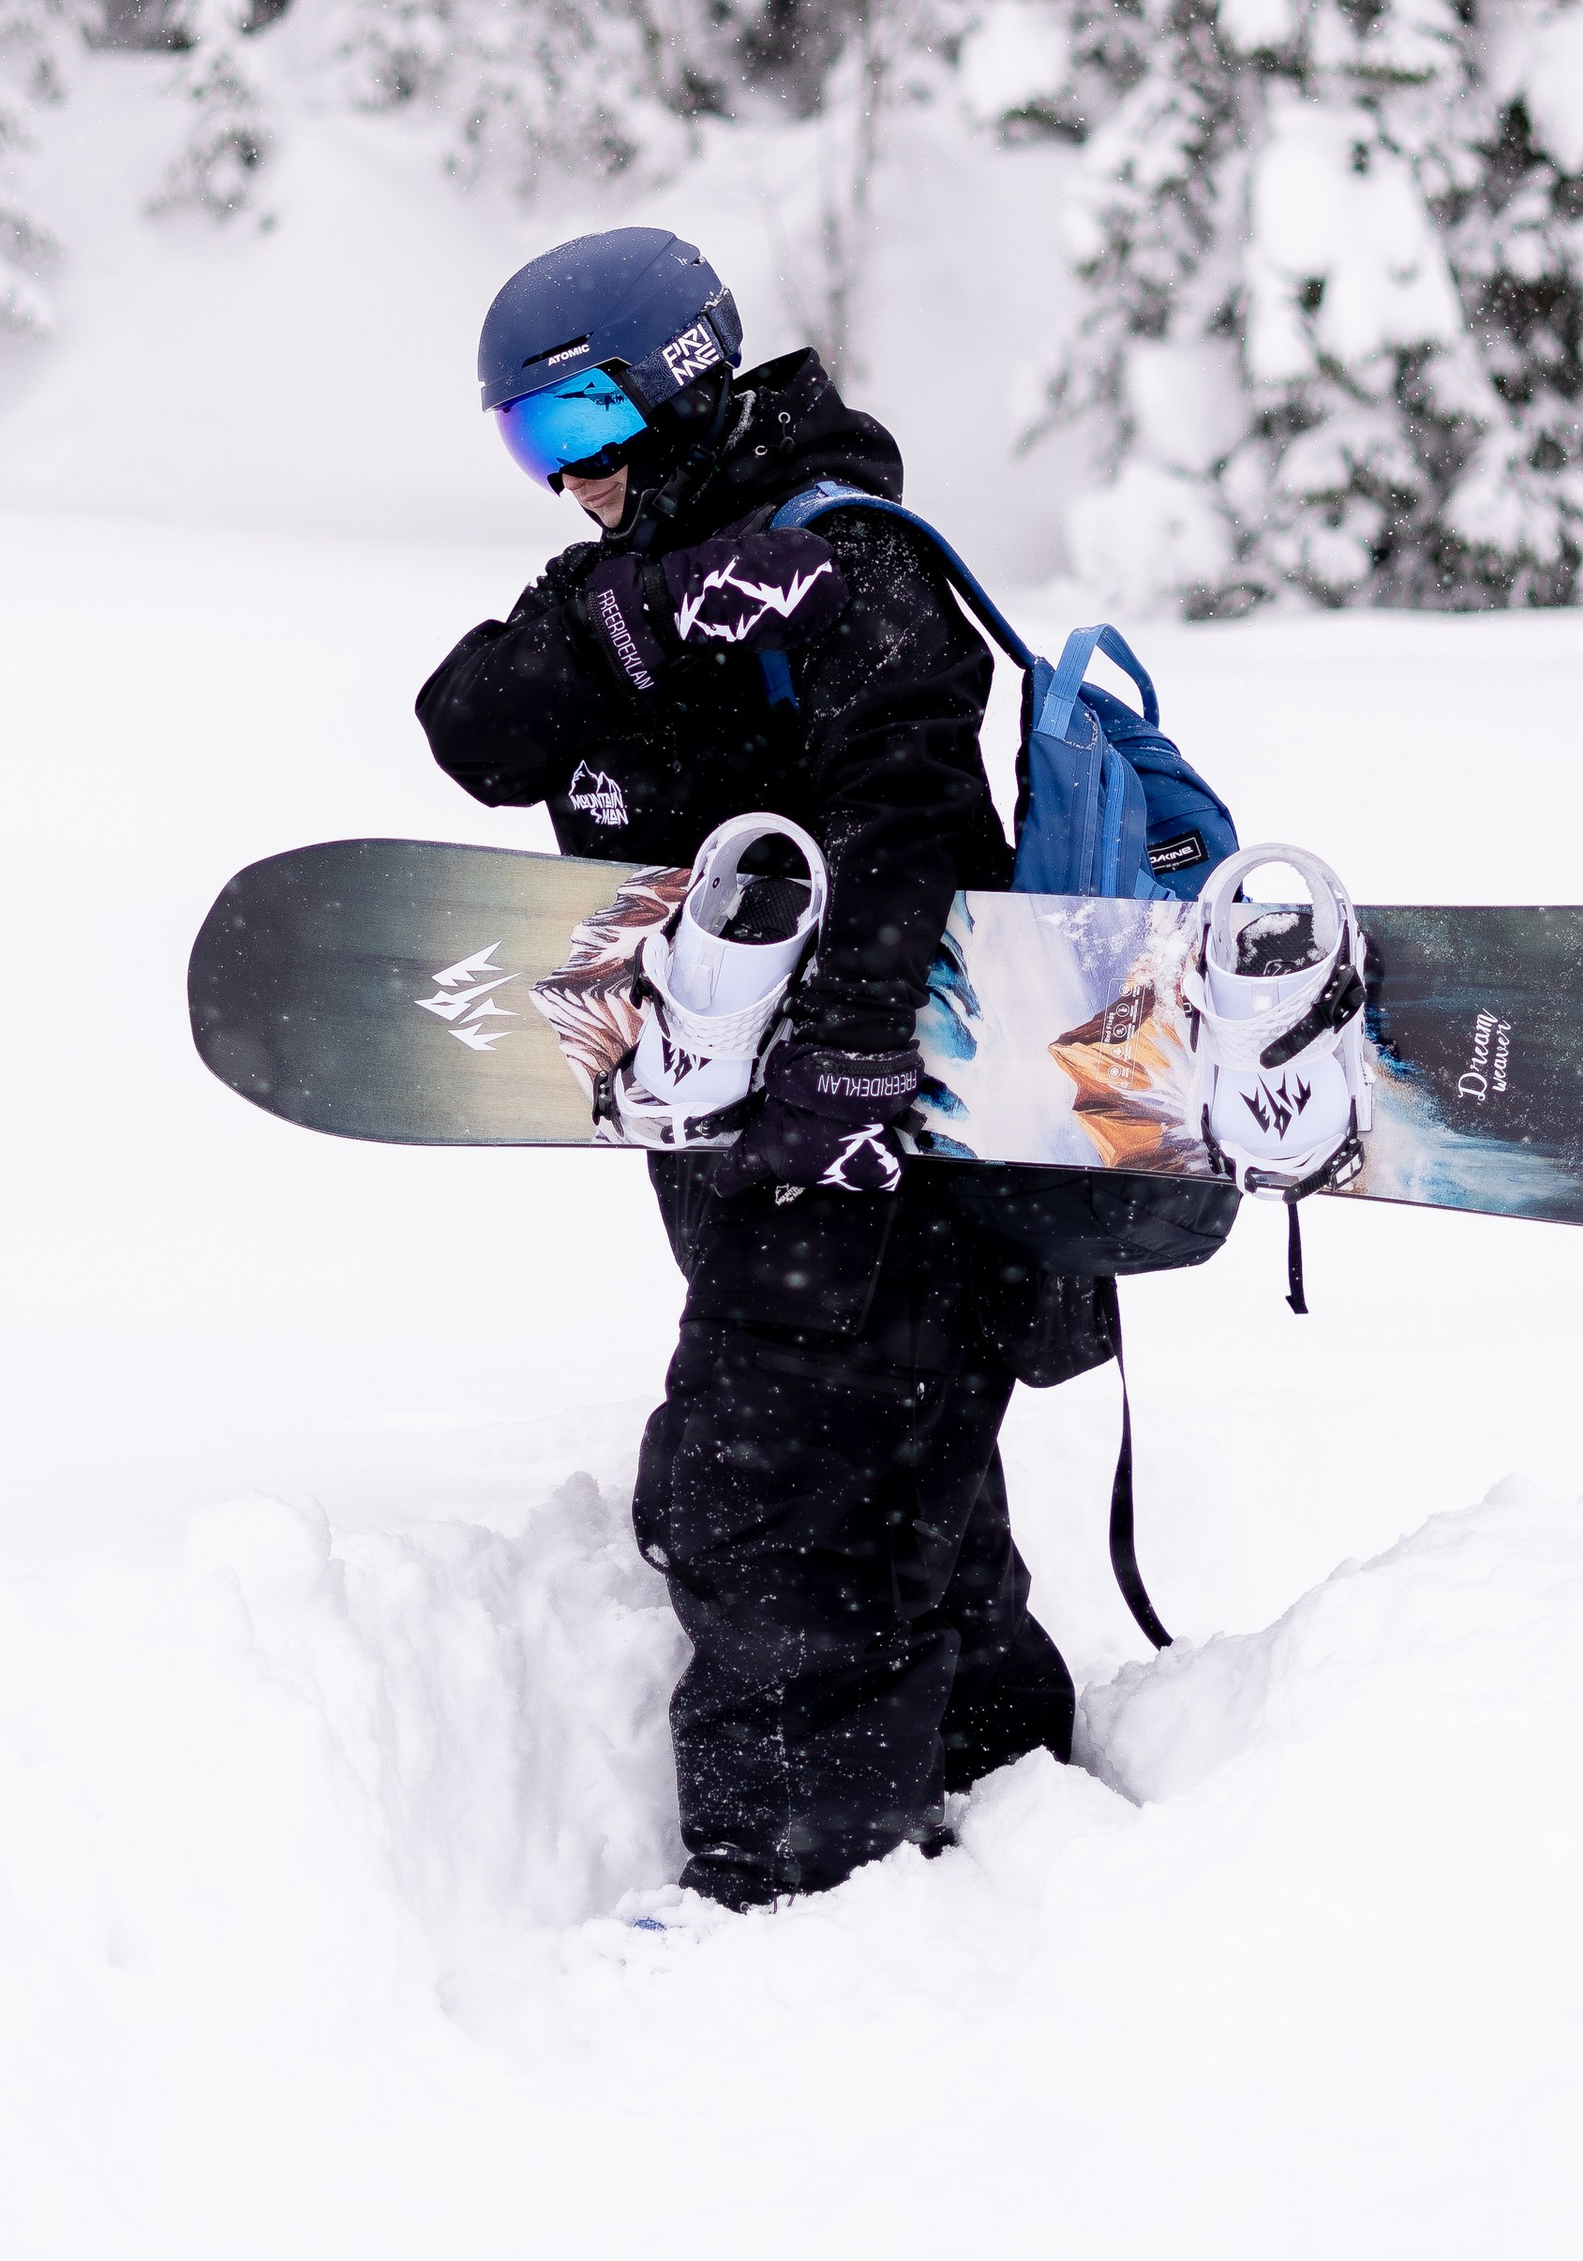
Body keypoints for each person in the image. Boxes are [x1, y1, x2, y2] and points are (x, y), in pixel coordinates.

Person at [414, 224, 1097, 1911]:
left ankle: (789, 1888)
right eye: (528, 440)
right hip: (750, 1152)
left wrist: (852, 1069)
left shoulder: (847, 562)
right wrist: (641, 624)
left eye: (581, 423)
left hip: (875, 1139)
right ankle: (1004, 1789)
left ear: (681, 381)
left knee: (760, 1496)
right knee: (900, 1477)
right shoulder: (638, 578)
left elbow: (912, 815)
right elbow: (469, 727)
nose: (565, 476)